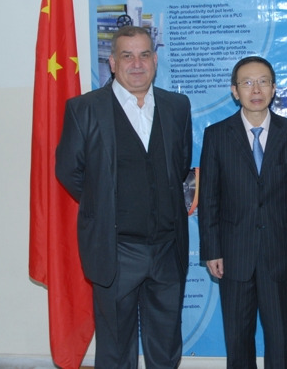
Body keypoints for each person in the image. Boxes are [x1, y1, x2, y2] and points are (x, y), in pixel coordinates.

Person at [55, 26, 192, 369]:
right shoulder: (84, 109)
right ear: (113, 63)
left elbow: (180, 164)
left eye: (144, 55)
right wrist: (105, 203)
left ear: (155, 60)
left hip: (167, 248)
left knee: (166, 347)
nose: (137, 64)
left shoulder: (177, 106)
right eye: (127, 56)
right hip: (115, 250)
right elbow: (69, 171)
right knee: (116, 352)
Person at [198, 55, 287, 369]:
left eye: (263, 81)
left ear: (274, 88)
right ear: (235, 91)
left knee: (280, 340)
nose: (256, 89)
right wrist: (212, 250)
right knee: (237, 341)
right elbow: (209, 198)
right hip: (233, 256)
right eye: (247, 83)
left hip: (280, 255)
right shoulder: (217, 135)